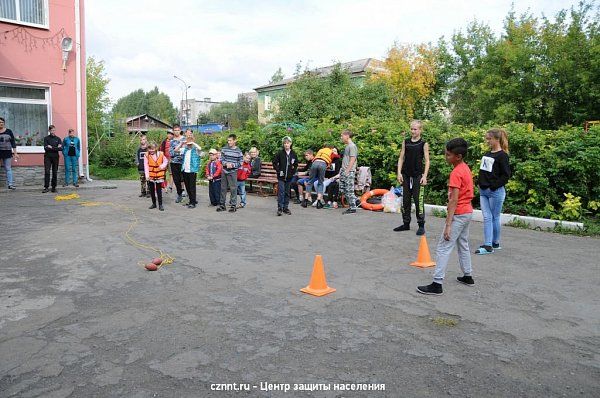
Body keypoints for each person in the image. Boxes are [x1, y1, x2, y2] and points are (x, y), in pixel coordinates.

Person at [417, 138, 474, 295]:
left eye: (448, 155)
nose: (446, 157)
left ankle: (437, 284)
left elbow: (454, 200)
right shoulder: (465, 168)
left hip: (459, 213)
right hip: (468, 211)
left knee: (444, 246)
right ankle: (467, 275)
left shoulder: (456, 173)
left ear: (459, 156)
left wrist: (448, 224)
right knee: (463, 243)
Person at [475, 128, 511, 255]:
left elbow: (506, 176)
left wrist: (493, 186)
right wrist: (478, 183)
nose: (487, 141)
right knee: (489, 217)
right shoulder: (487, 154)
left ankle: (489, 245)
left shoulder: (503, 156)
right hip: (484, 191)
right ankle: (494, 243)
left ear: (497, 139)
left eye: (489, 139)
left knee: (492, 217)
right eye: (487, 138)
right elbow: (483, 171)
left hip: (495, 192)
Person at [394, 120, 430, 235]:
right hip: (405, 175)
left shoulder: (423, 144)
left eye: (415, 129)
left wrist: (424, 176)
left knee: (418, 201)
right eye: (411, 129)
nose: (413, 131)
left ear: (420, 130)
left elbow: (427, 161)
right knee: (405, 201)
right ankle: (406, 223)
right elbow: (401, 158)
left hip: (417, 176)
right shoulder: (406, 142)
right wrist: (399, 173)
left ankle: (421, 225)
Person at [273, 136, 298, 216]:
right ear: (283, 144)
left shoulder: (293, 153)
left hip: (289, 177)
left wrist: (292, 172)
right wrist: (278, 170)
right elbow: (274, 163)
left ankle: (285, 208)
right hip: (281, 177)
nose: (286, 145)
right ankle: (279, 208)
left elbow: (296, 164)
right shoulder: (280, 153)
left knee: (287, 192)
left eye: (288, 143)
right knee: (281, 192)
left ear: (290, 144)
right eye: (285, 143)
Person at [218, 134, 243, 212]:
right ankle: (222, 205)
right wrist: (226, 164)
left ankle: (233, 205)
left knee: (233, 189)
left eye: (230, 140)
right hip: (224, 171)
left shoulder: (238, 151)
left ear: (235, 141)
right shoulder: (224, 149)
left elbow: (241, 162)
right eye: (228, 140)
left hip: (233, 171)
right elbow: (221, 159)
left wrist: (233, 165)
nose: (229, 142)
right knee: (223, 188)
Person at [144, 141, 168, 211]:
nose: (151, 150)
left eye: (153, 149)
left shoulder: (160, 154)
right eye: (150, 149)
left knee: (158, 190)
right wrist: (147, 175)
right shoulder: (146, 155)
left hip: (159, 175)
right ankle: (154, 203)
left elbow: (165, 161)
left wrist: (162, 166)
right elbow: (146, 165)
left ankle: (160, 204)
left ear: (156, 148)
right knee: (151, 190)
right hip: (151, 175)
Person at [339, 130, 358, 214]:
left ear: (347, 136)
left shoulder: (352, 146)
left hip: (349, 171)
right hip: (344, 171)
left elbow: (352, 159)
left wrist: (347, 170)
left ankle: (353, 208)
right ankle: (356, 201)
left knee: (349, 190)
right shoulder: (347, 146)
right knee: (344, 189)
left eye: (342, 135)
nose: (341, 137)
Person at [180, 132, 201, 209]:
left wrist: (193, 143)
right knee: (187, 186)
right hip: (185, 170)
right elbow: (176, 150)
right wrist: (182, 143)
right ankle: (191, 200)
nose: (189, 143)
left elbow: (200, 148)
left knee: (192, 187)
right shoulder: (185, 149)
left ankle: (193, 202)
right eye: (188, 141)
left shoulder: (196, 149)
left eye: (190, 141)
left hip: (192, 170)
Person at [42, 125, 62, 193]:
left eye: (54, 130)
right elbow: (45, 148)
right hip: (47, 157)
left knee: (54, 172)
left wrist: (52, 147)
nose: (53, 131)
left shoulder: (58, 139)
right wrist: (55, 147)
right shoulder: (46, 138)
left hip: (55, 157)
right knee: (47, 172)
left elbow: (61, 148)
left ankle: (54, 187)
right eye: (52, 130)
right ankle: (46, 187)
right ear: (49, 131)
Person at [0, 117, 18, 190]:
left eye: (2, 122)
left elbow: (13, 142)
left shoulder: (9, 131)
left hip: (7, 152)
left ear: (4, 123)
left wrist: (15, 153)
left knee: (8, 168)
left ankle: (10, 184)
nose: (0, 123)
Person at [169, 124, 186, 203]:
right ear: (173, 131)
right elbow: (171, 153)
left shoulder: (184, 139)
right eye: (175, 130)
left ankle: (186, 193)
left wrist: (177, 150)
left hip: (183, 162)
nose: (176, 132)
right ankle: (179, 194)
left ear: (180, 130)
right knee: (176, 180)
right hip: (174, 162)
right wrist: (179, 150)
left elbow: (185, 151)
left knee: (184, 179)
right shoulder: (171, 141)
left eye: (178, 130)